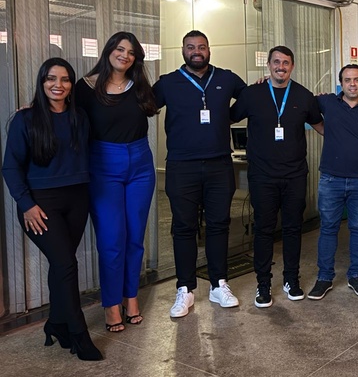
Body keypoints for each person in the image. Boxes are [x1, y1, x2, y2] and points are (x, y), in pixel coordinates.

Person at [2, 58, 102, 360]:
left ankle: (57, 323)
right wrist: (26, 204)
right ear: (42, 82)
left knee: (61, 265)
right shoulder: (25, 119)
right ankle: (78, 334)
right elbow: (10, 167)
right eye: (51, 78)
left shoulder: (80, 117)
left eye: (65, 79)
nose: (58, 85)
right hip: (41, 205)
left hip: (77, 199)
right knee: (66, 264)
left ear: (72, 85)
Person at [153, 30, 247, 318]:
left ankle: (219, 284)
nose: (197, 51)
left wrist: (227, 116)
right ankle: (185, 288)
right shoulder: (168, 82)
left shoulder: (226, 78)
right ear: (183, 51)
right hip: (181, 166)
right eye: (191, 47)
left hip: (219, 165)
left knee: (219, 224)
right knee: (183, 227)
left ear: (209, 49)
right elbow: (141, 107)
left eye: (202, 47)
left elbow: (250, 100)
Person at [231, 46, 324, 307]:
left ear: (292, 66)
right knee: (263, 230)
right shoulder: (253, 94)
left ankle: (291, 280)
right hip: (262, 176)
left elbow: (321, 127)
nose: (280, 67)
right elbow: (227, 118)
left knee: (293, 229)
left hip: (295, 175)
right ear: (268, 65)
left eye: (285, 63)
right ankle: (263, 284)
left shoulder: (304, 96)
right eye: (276, 62)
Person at [76, 32, 157, 332]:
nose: (125, 55)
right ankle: (111, 303)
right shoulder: (85, 87)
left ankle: (130, 297)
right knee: (111, 240)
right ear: (109, 50)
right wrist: (32, 108)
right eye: (120, 49)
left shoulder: (140, 86)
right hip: (103, 165)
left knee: (135, 238)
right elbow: (56, 106)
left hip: (141, 164)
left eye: (131, 52)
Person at [307, 64, 358, 300]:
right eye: (348, 80)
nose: (352, 84)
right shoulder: (327, 102)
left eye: (357, 80)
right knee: (328, 229)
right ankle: (324, 278)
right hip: (331, 180)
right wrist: (266, 81)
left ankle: (356, 276)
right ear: (341, 83)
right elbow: (302, 104)